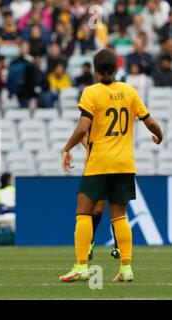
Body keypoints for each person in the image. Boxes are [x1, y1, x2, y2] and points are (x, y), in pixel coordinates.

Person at [59, 49, 163, 282]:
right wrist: (160, 135)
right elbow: (151, 122)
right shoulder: (130, 91)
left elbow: (83, 128)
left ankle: (81, 266)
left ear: (95, 71)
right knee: (120, 217)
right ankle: (126, 269)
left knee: (83, 212)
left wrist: (66, 148)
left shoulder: (91, 92)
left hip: (99, 162)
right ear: (117, 69)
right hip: (125, 163)